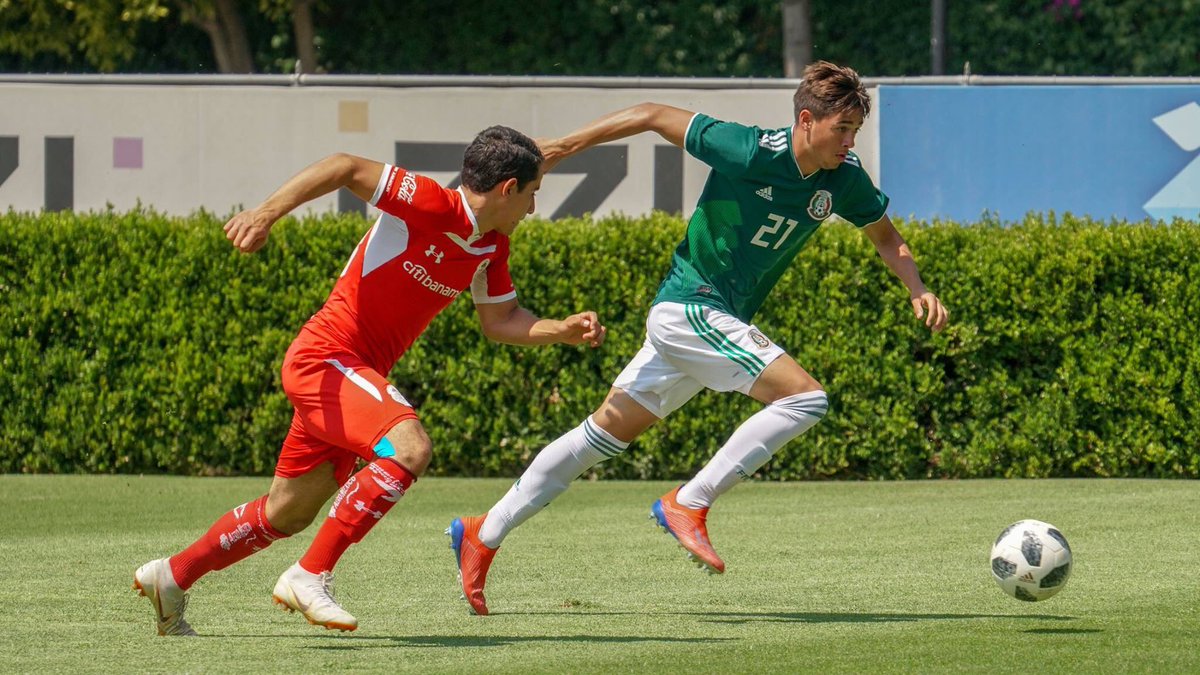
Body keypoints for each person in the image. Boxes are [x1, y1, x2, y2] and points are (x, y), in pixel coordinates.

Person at [446, 61, 949, 616]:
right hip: (691, 309)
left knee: (598, 437)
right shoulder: (750, 149)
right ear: (807, 120)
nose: (850, 141)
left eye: (856, 130)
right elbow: (651, 114)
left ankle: (482, 532)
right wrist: (565, 145)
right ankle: (689, 501)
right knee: (806, 398)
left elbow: (886, 236)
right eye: (842, 128)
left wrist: (916, 287)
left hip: (700, 323)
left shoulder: (844, 179)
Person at [132, 126, 607, 636]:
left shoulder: (491, 248)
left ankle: (174, 575)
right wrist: (266, 212)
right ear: (509, 188)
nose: (533, 209)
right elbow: (342, 165)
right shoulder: (429, 202)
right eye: (533, 194)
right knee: (411, 447)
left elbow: (500, 320)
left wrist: (560, 331)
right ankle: (309, 574)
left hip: (350, 379)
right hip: (326, 357)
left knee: (285, 513)